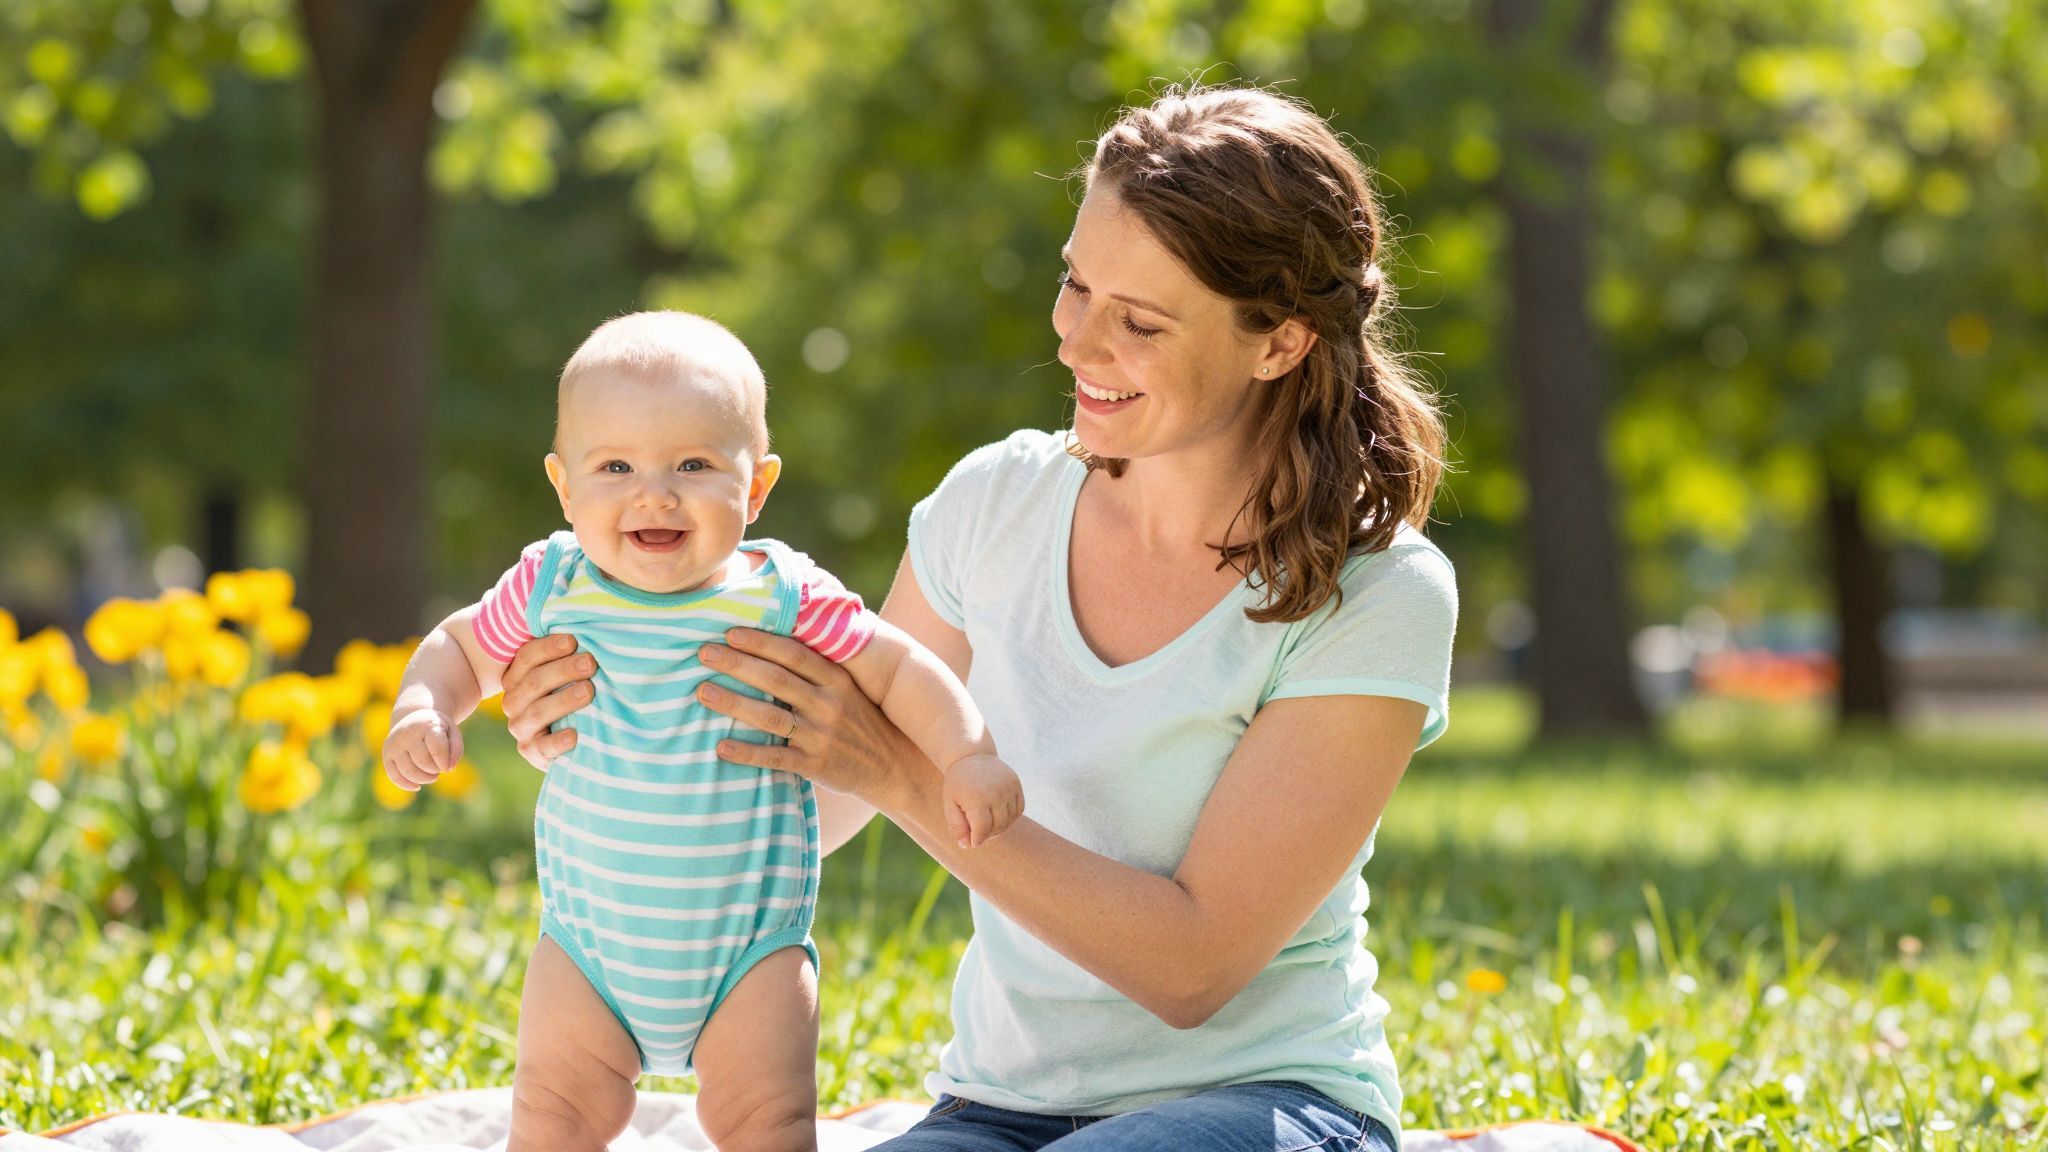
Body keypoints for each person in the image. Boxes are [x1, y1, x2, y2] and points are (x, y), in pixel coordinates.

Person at [501, 85, 1456, 1152]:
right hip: (997, 1112)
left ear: (1278, 342)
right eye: (1075, 285)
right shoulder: (995, 505)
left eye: (1139, 323)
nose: (1077, 343)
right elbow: (809, 792)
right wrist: (607, 729)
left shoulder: (1379, 591)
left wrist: (906, 777)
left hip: (1263, 1100)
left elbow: (1192, 968)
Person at [382, 311, 1022, 1152]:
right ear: (564, 487)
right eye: (615, 466)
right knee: (552, 1115)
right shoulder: (550, 584)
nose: (654, 493)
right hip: (589, 949)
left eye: (693, 464)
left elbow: (900, 668)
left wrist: (966, 753)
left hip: (748, 950)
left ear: (756, 487)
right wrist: (424, 708)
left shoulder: (785, 594)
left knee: (769, 1122)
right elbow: (460, 647)